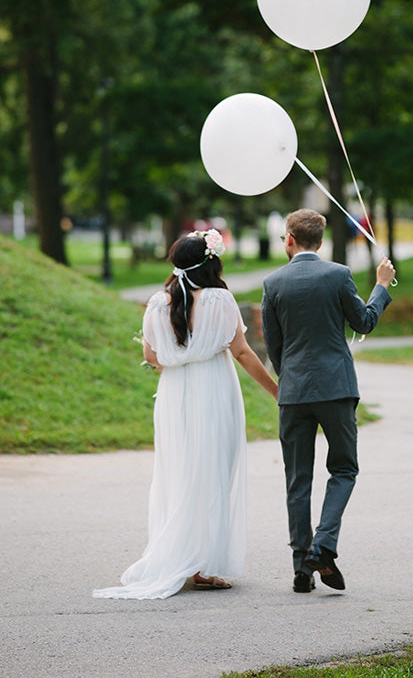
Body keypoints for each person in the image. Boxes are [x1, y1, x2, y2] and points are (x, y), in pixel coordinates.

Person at [93, 229, 277, 600]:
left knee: (180, 471)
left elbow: (151, 356)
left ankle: (186, 557)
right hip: (214, 389)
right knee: (213, 471)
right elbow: (242, 352)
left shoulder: (157, 304)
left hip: (176, 395)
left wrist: (179, 364)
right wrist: (277, 392)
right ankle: (202, 566)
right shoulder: (220, 300)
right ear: (212, 263)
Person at [261, 209, 395, 594]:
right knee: (344, 469)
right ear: (319, 242)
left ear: (289, 239)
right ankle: (324, 544)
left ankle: (302, 569)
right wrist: (382, 285)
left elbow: (275, 346)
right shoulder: (338, 275)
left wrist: (291, 384)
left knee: (297, 479)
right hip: (336, 388)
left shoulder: (273, 283)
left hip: (294, 393)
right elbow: (364, 322)